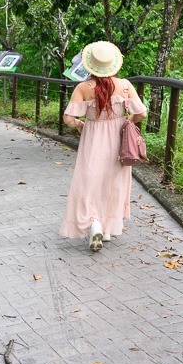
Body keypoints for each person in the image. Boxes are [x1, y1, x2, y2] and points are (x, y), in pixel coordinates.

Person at [59, 41, 147, 251]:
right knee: (112, 183)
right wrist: (127, 122)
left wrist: (81, 124)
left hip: (93, 137)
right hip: (118, 140)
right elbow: (141, 113)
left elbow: (68, 118)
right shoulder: (125, 85)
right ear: (113, 64)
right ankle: (106, 228)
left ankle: (95, 223)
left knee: (88, 182)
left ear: (90, 65)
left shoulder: (83, 88)